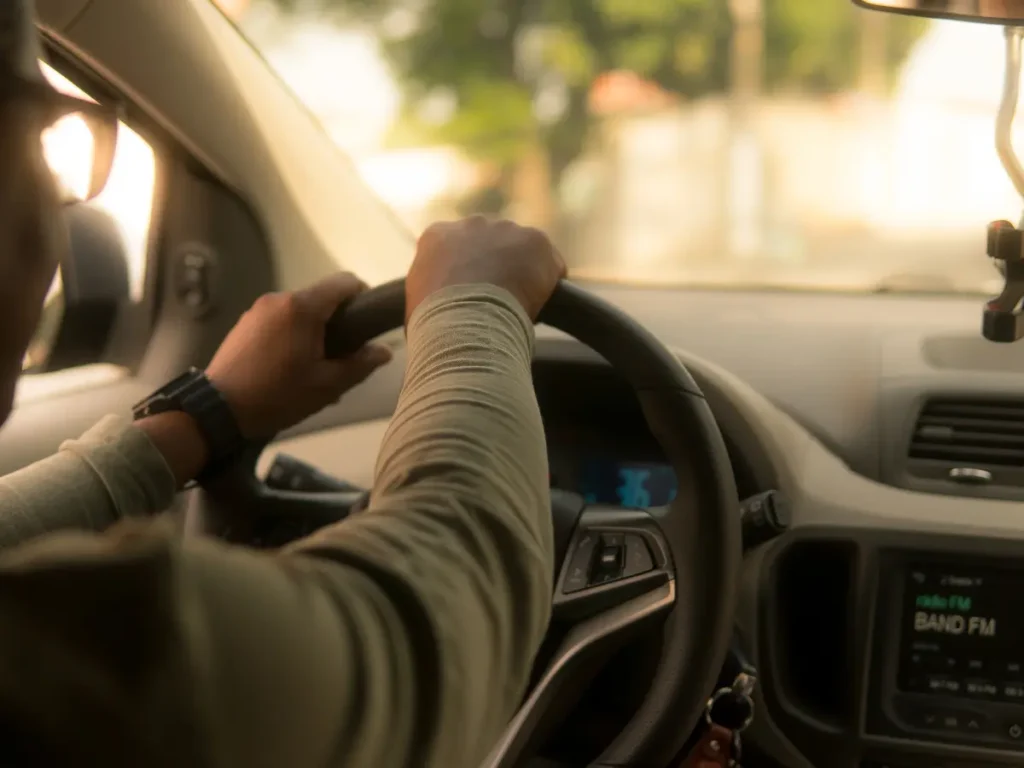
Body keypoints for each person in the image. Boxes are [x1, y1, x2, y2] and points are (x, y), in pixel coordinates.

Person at [0, 2, 566, 766]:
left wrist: (205, 417)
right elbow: (428, 632)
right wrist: (473, 312)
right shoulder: (86, 663)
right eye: (43, 134)